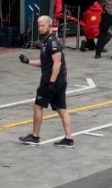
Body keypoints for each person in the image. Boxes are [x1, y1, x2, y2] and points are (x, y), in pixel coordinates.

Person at [18, 15, 74, 148]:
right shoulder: (47, 42)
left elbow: (57, 63)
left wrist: (52, 83)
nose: (40, 27)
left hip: (51, 81)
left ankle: (35, 135)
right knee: (62, 109)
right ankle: (69, 139)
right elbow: (45, 63)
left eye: (43, 25)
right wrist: (28, 62)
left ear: (50, 25)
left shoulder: (52, 42)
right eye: (39, 25)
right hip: (57, 81)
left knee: (38, 105)